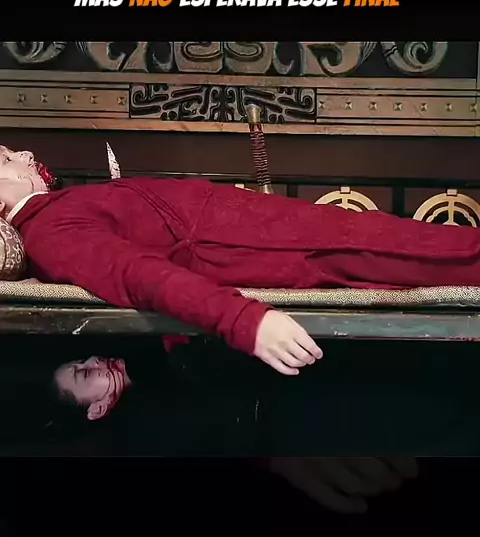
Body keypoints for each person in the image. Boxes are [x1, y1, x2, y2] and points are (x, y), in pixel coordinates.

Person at [2, 143, 480, 376]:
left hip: (272, 230)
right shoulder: (49, 230)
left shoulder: (53, 211)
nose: (23, 153)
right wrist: (245, 321)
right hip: (271, 244)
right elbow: (137, 274)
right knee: (438, 253)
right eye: (4, 159)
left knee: (431, 246)